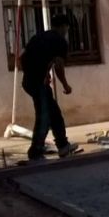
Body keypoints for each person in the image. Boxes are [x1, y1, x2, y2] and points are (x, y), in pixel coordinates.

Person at [20, 13, 79, 160]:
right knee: (44, 117)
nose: (66, 31)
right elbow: (58, 66)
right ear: (64, 27)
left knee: (54, 113)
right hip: (38, 83)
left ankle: (63, 146)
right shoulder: (59, 41)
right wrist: (65, 85)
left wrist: (41, 73)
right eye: (66, 28)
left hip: (29, 81)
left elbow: (23, 58)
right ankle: (35, 152)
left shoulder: (39, 37)